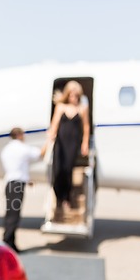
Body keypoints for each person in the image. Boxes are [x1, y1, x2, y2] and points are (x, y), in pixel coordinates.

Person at [0, 127, 47, 252]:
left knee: (10, 213)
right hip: (17, 186)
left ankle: (11, 243)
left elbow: (16, 169)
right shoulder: (21, 148)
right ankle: (7, 243)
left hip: (10, 184)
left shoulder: (6, 149)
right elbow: (40, 153)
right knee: (14, 216)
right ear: (20, 135)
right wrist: (50, 139)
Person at [49, 80, 90, 213]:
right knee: (58, 169)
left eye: (76, 95)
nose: (74, 98)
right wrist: (50, 137)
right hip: (60, 142)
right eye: (72, 95)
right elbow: (54, 124)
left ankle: (66, 198)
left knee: (67, 170)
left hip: (72, 143)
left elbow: (86, 127)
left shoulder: (82, 108)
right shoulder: (60, 107)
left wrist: (85, 143)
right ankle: (58, 197)